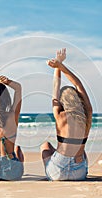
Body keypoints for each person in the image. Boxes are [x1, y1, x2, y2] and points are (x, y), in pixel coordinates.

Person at [41, 48, 93, 181]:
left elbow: (55, 87)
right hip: (79, 173)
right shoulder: (87, 116)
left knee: (45, 146)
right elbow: (78, 84)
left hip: (57, 172)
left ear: (62, 101)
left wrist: (57, 66)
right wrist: (61, 65)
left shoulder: (60, 115)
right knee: (82, 150)